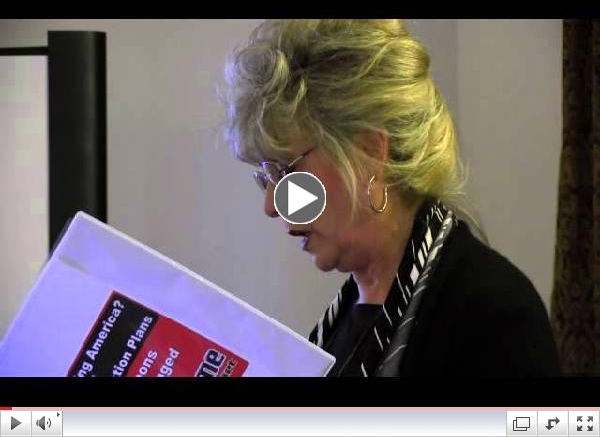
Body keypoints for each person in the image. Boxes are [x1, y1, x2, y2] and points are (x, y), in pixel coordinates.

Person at [222, 19, 561, 377]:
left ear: (370, 153)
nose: (271, 206)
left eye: (284, 171)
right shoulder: (347, 318)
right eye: (266, 178)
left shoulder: (495, 314)